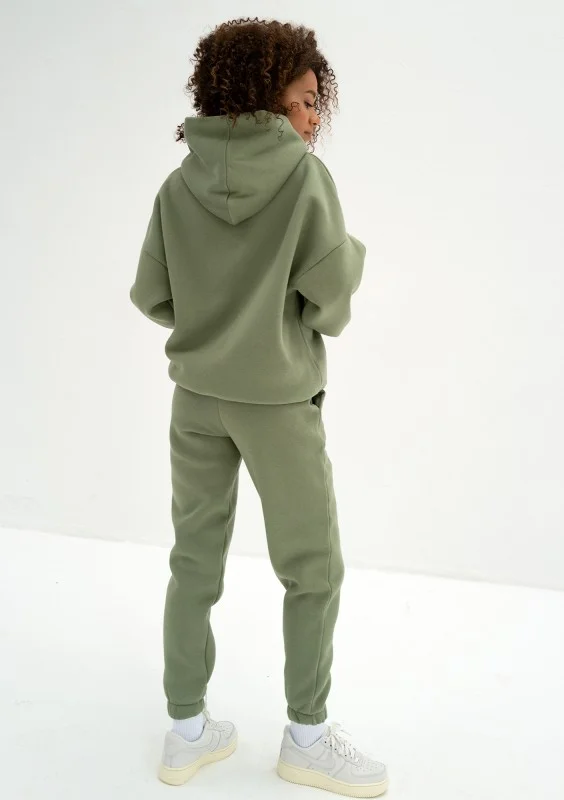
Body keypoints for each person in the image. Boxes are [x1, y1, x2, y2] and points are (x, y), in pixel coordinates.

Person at [130, 17, 388, 798]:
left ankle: (186, 734)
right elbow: (331, 300)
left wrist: (214, 320)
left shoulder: (178, 184)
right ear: (264, 92)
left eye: (317, 103)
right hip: (276, 402)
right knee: (313, 569)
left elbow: (152, 295)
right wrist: (333, 273)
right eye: (305, 100)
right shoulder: (305, 179)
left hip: (195, 399)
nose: (313, 117)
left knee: (192, 561)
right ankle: (307, 738)